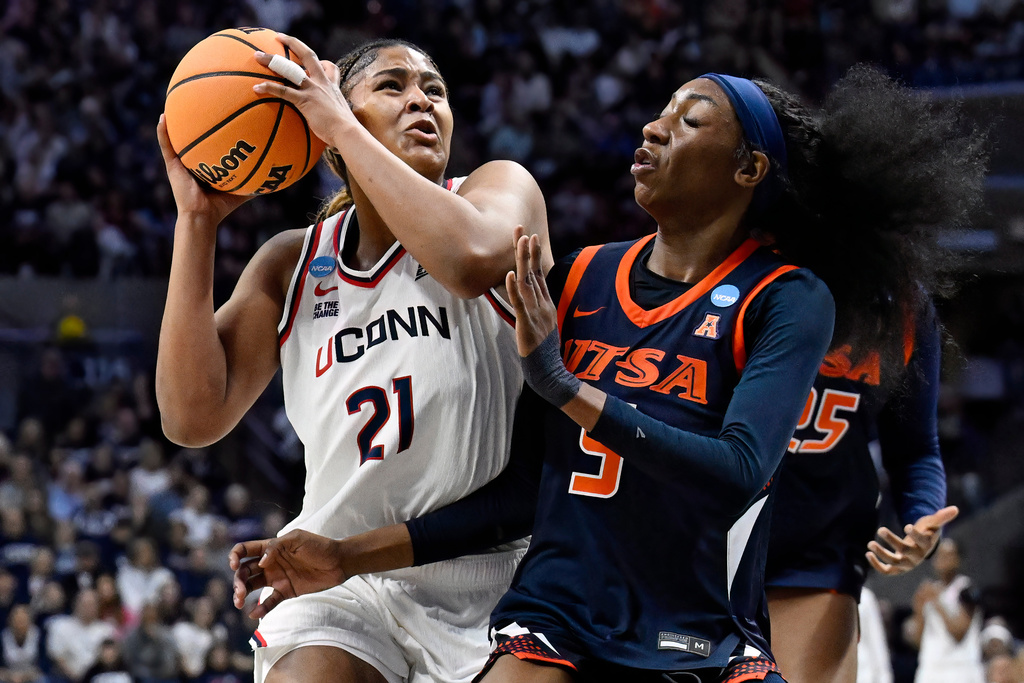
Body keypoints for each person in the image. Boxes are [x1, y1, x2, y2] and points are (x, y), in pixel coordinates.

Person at [233, 70, 848, 682]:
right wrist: (345, 556)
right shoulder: (581, 280)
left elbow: (739, 471)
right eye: (661, 112)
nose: (654, 129)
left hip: (699, 626)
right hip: (557, 620)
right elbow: (521, 492)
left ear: (749, 170)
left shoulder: (786, 295)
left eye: (688, 121)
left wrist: (568, 390)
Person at [156, 30, 549, 683]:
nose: (422, 102)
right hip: (339, 577)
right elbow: (190, 415)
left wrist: (338, 120)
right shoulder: (294, 261)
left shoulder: (496, 190)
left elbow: (469, 262)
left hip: (496, 569)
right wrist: (195, 223)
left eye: (435, 91)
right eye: (392, 86)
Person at [763, 67, 986, 683]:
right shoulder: (745, 278)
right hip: (703, 538)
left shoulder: (904, 307)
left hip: (820, 551)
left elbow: (916, 449)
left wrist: (920, 520)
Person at [904, 538, 985, 683]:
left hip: (960, 669)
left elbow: (959, 632)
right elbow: (917, 641)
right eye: (940, 555)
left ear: (958, 559)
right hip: (931, 669)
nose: (943, 560)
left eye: (949, 555)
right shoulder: (928, 589)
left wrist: (936, 601)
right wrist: (918, 608)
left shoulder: (966, 589)